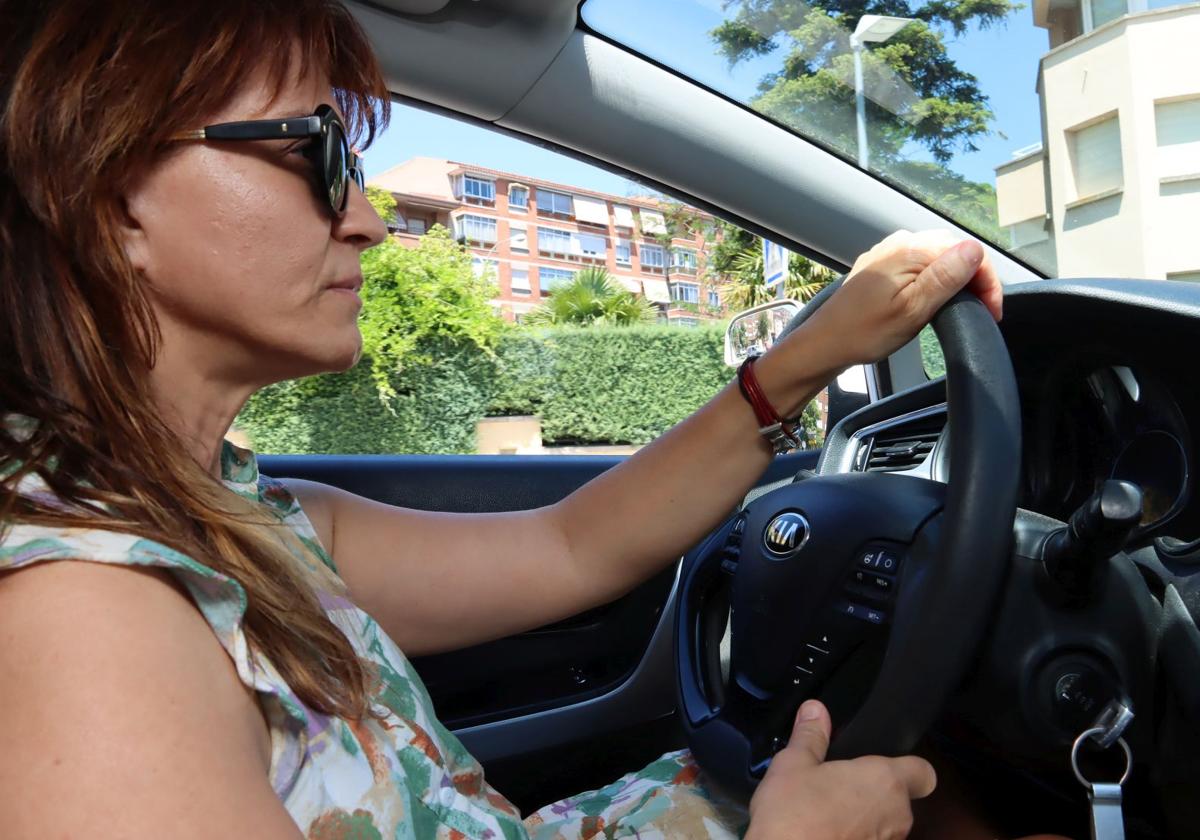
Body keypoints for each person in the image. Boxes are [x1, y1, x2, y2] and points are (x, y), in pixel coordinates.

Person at [0, 2, 1031, 838]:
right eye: (315, 152)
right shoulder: (79, 621)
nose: (364, 219)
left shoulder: (239, 511)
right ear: (114, 201)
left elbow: (570, 542)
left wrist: (807, 356)